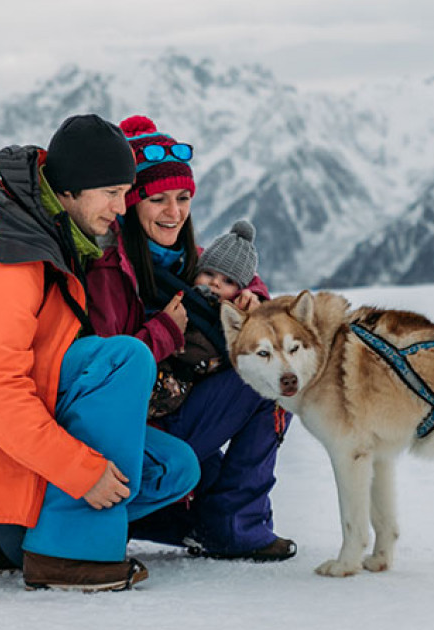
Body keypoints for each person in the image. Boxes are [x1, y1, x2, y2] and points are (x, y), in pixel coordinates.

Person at [0, 114, 201, 592]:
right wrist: (82, 472)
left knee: (174, 469)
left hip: (16, 430)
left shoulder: (53, 235)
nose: (123, 206)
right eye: (112, 193)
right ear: (70, 191)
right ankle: (72, 555)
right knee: (123, 359)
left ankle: (15, 533)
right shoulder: (7, 254)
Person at [86, 115, 296, 562]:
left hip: (172, 407)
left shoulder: (181, 258)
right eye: (157, 199)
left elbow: (238, 277)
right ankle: (232, 527)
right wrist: (163, 331)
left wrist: (252, 298)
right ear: (129, 203)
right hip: (139, 424)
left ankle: (212, 519)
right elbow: (107, 372)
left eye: (183, 198)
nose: (174, 212)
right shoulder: (111, 269)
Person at [147, 219, 261, 419]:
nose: (215, 283)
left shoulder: (231, 317)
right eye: (208, 273)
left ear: (239, 291)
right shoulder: (183, 296)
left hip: (190, 386)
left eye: (228, 281)